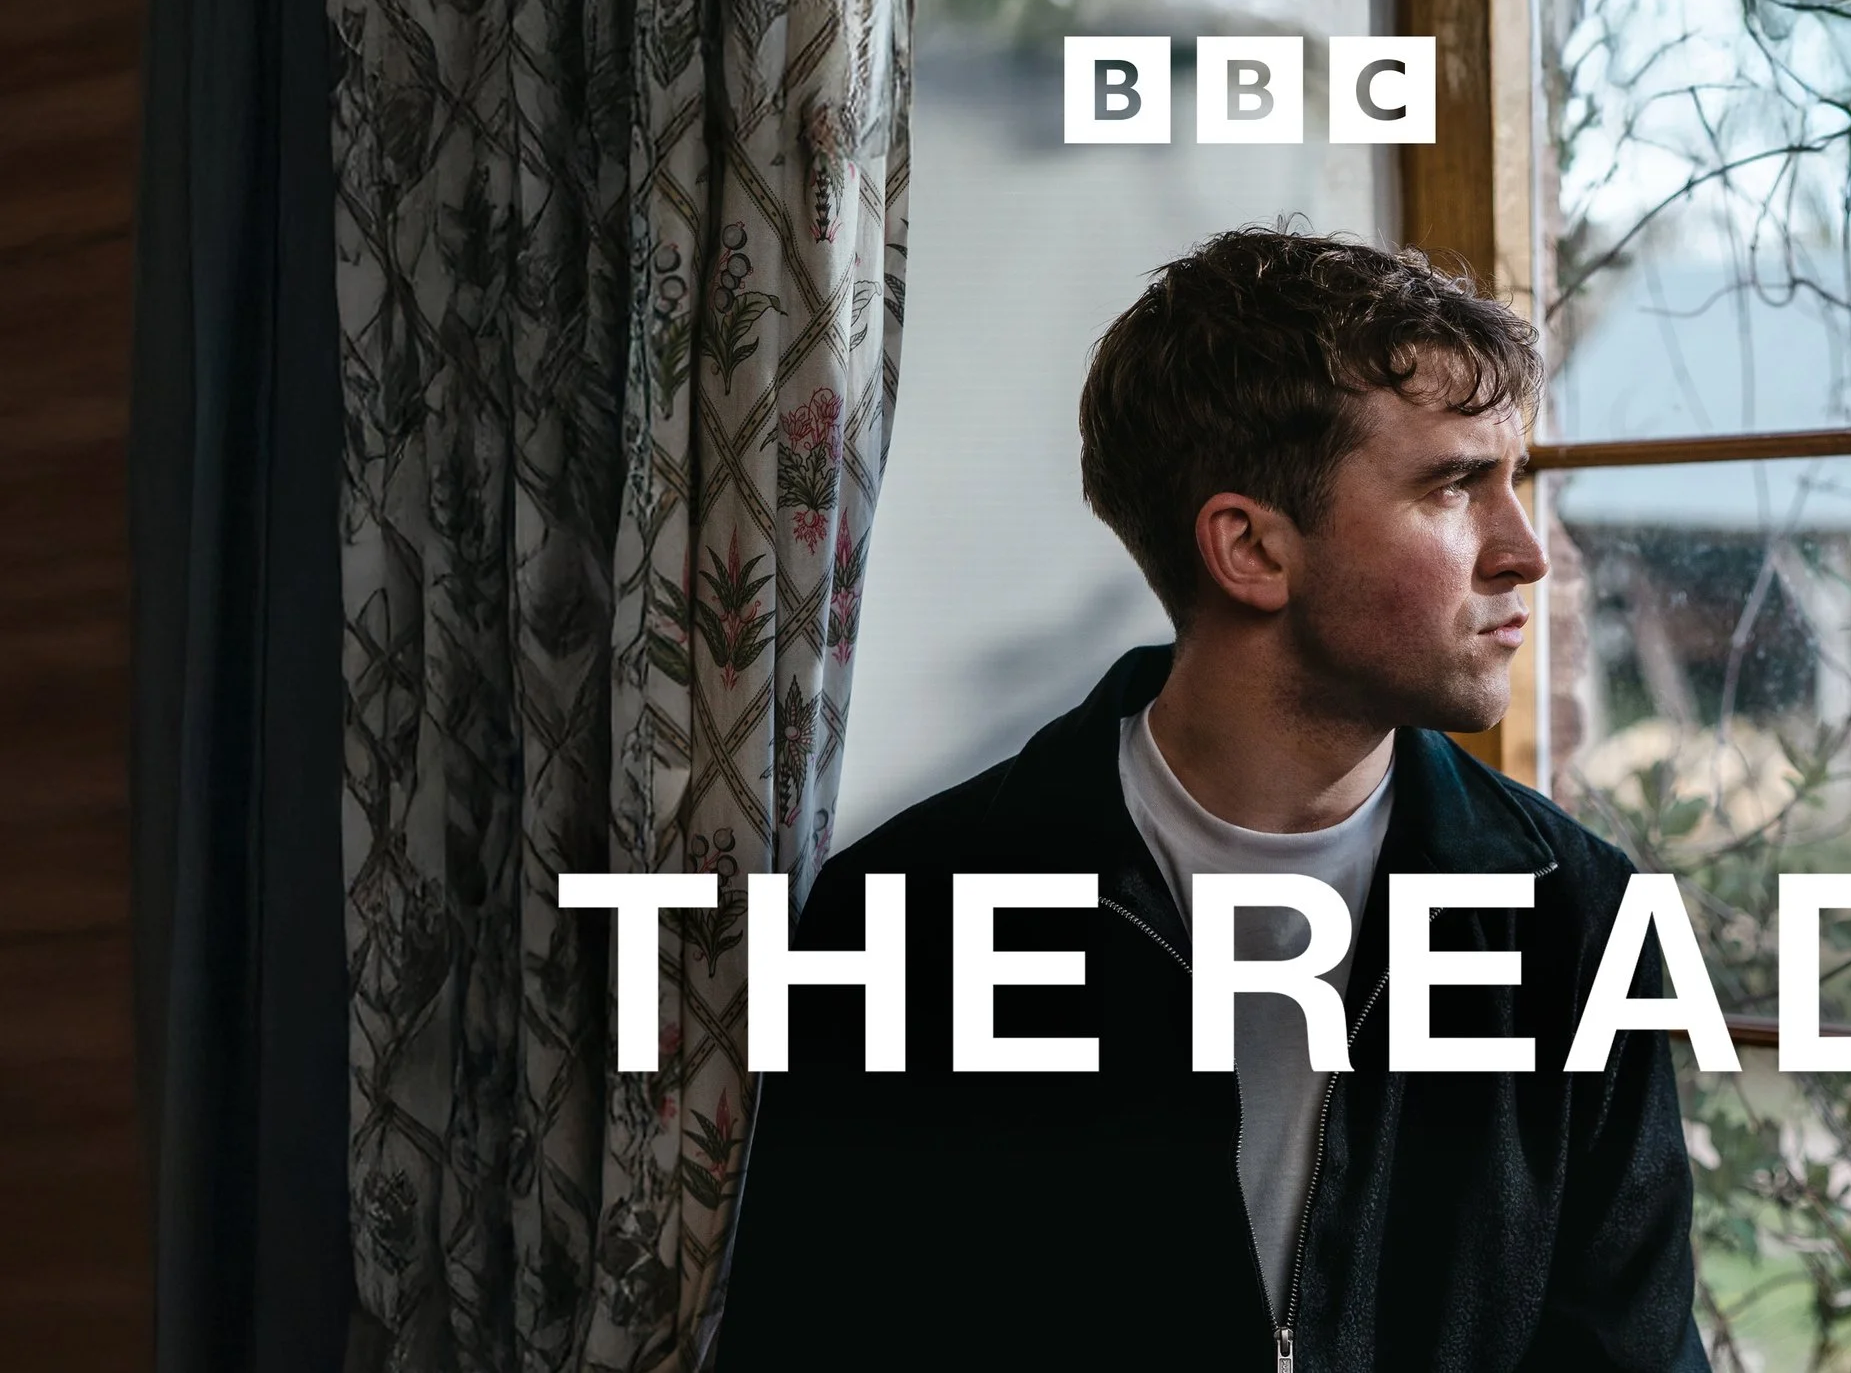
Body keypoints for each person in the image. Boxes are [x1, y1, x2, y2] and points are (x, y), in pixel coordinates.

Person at [716, 229, 1709, 1371]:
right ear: (1248, 547)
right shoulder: (908, 916)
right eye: (1453, 485)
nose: (1525, 551)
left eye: (1513, 482)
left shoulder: (1577, 921)